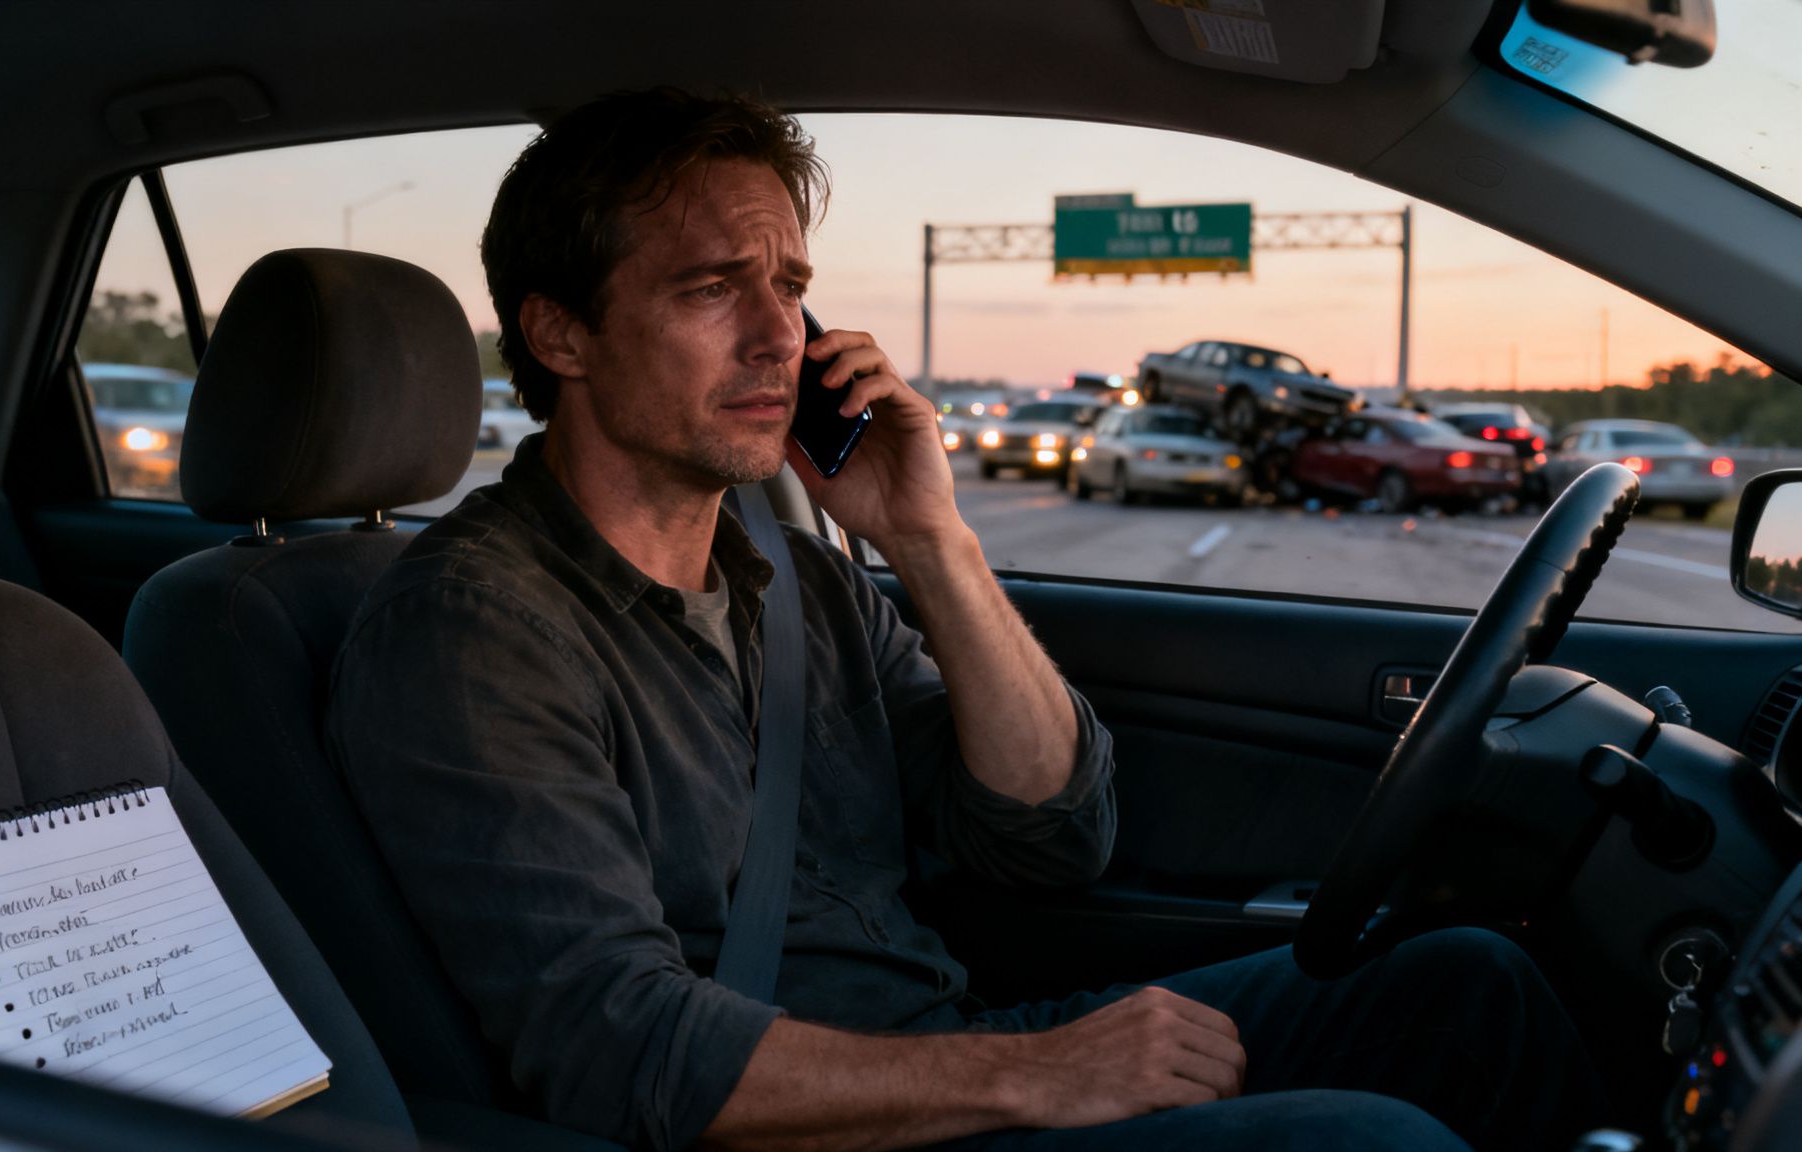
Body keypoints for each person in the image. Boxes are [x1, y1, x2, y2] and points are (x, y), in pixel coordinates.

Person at [330, 89, 1605, 1152]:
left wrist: (929, 543)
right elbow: (623, 1051)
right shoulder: (473, 630)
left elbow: (1052, 833)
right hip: (821, 1121)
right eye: (713, 288)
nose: (782, 335)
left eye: (790, 286)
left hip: (947, 1052)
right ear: (560, 332)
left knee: (1466, 987)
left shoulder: (799, 577)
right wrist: (1034, 1077)